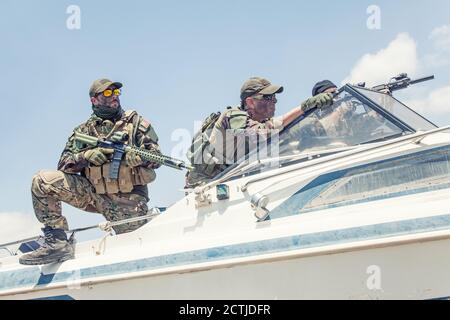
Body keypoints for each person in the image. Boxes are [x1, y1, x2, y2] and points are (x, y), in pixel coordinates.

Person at [20, 79, 161, 265]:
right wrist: (86, 156)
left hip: (127, 200)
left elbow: (157, 157)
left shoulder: (135, 123)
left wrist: (141, 158)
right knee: (42, 181)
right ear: (94, 100)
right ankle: (57, 242)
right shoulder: (83, 131)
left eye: (116, 93)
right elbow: (63, 165)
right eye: (108, 94)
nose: (114, 98)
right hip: (92, 194)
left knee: (139, 250)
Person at [185, 77, 334, 188]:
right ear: (250, 102)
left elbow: (281, 132)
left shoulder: (262, 122)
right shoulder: (232, 116)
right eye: (268, 97)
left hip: (229, 181)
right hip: (204, 184)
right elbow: (261, 133)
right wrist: (304, 106)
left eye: (274, 97)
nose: (274, 101)